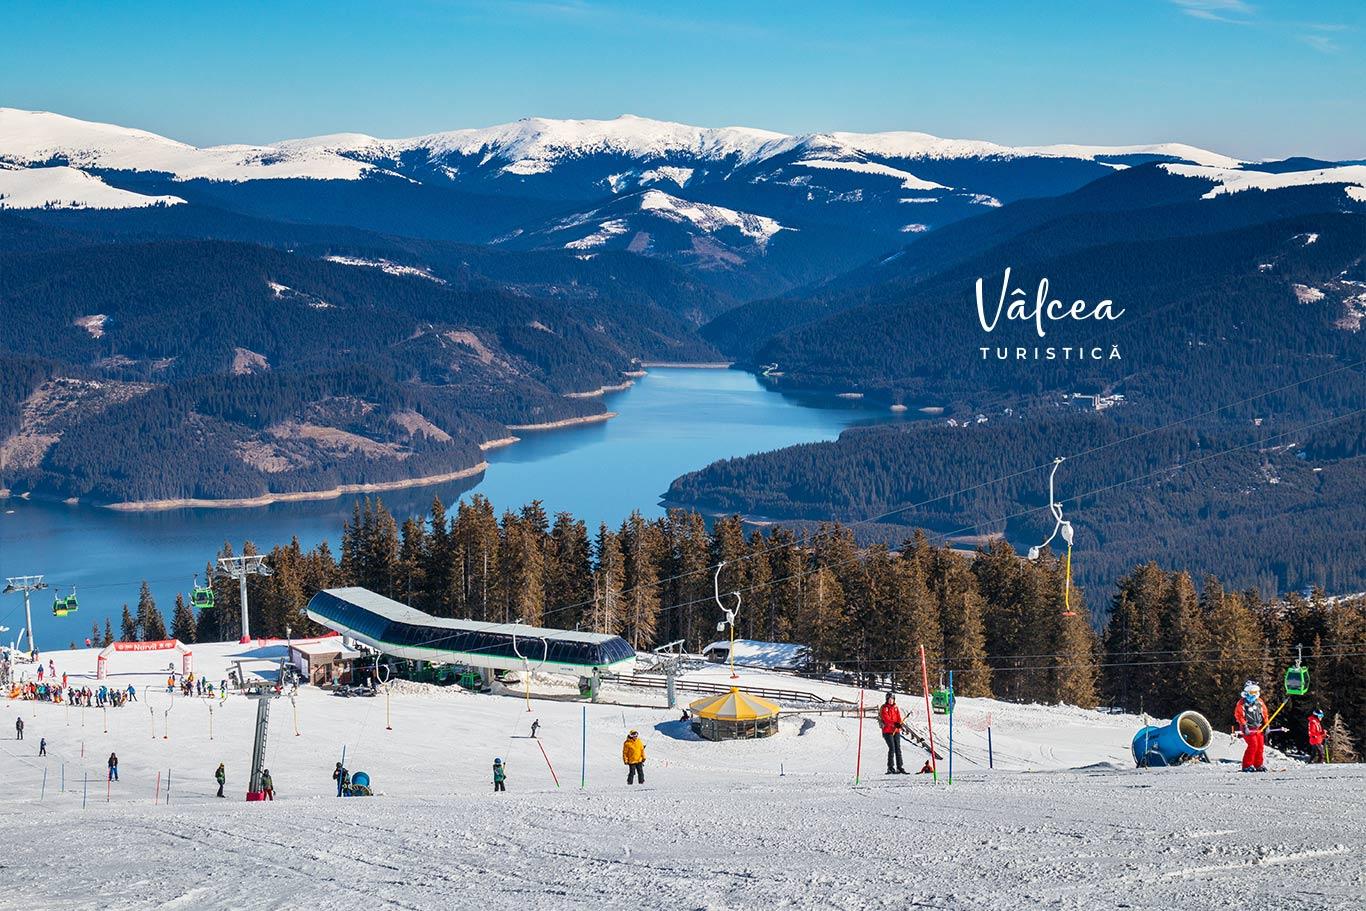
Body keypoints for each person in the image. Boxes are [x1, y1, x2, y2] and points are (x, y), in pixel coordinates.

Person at [1233, 681, 1269, 772]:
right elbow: (1239, 715)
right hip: (1248, 728)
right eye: (1252, 693)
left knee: (1260, 746)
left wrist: (1266, 725)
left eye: (1255, 693)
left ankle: (1258, 765)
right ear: (1247, 692)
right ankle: (1247, 765)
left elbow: (1264, 713)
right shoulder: (1242, 703)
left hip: (1259, 727)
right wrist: (1244, 726)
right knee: (1253, 745)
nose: (1254, 695)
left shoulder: (1259, 702)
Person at [879, 693, 908, 774]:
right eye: (889, 699)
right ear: (887, 700)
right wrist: (894, 724)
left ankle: (900, 767)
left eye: (892, 699)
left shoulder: (895, 708)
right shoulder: (884, 708)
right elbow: (886, 719)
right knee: (892, 748)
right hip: (888, 731)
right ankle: (890, 767)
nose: (891, 701)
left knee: (898, 748)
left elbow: (898, 717)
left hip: (896, 731)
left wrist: (899, 724)